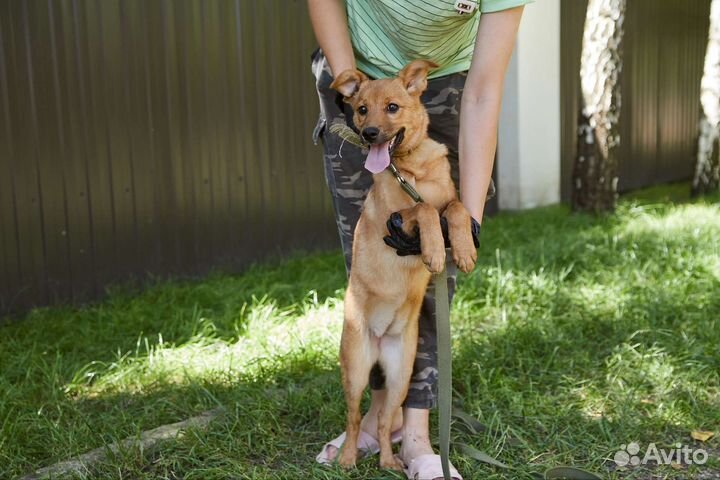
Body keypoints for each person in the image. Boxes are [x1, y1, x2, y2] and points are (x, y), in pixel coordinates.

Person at [308, 1, 528, 478]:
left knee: (432, 268)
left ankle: (416, 437)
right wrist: (352, 87)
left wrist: (465, 216)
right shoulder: (362, 106)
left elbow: (484, 92)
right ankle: (374, 420)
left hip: (448, 80)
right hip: (355, 68)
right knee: (369, 264)